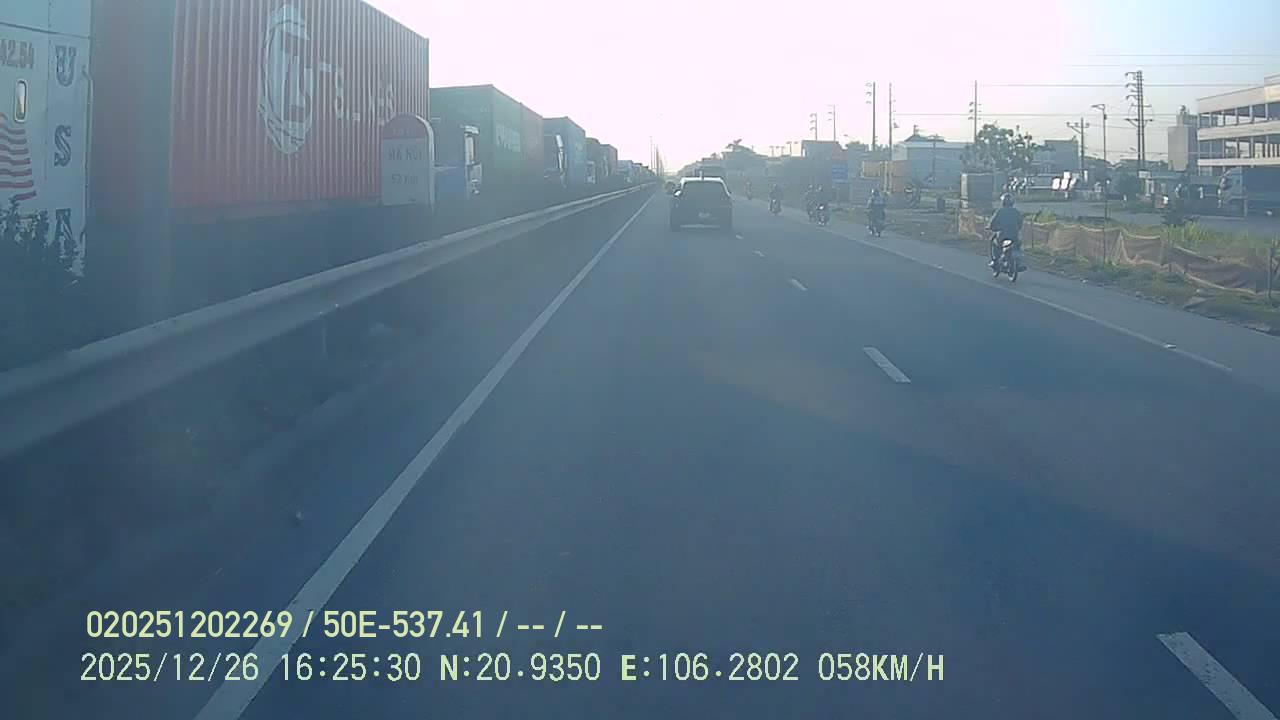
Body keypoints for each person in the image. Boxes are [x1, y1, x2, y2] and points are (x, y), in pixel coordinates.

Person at [988, 193, 1026, 271]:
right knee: (1018, 246)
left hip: (1002, 235)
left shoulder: (1000, 211)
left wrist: (991, 227)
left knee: (995, 244)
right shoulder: (1016, 212)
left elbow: (993, 222)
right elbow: (1020, 222)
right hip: (1014, 235)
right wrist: (1017, 229)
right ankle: (1019, 263)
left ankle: (995, 261)